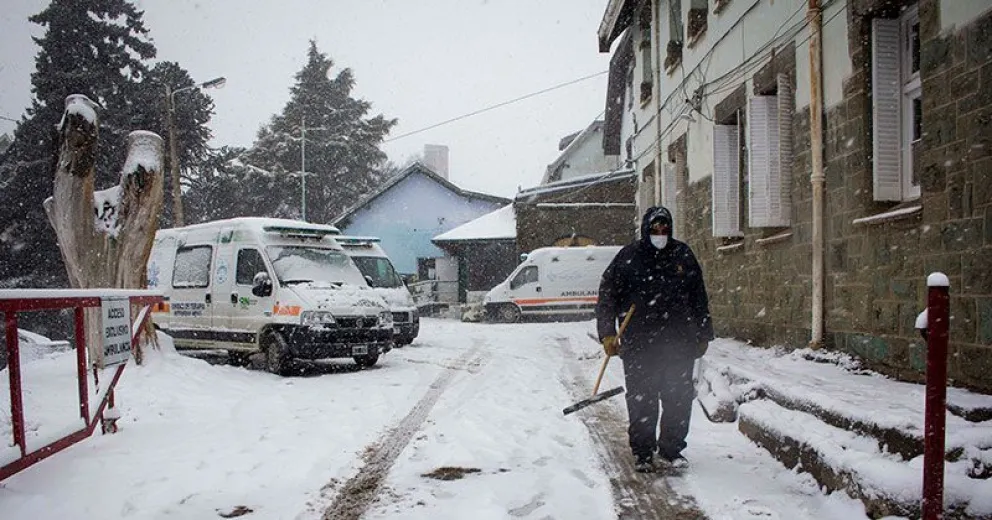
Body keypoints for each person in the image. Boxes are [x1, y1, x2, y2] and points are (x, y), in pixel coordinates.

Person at [596, 206, 714, 473]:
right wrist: (607, 333)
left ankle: (672, 449)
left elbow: (698, 297)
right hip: (640, 344)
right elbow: (607, 297)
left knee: (677, 398)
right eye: (655, 230)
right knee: (642, 399)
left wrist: (704, 333)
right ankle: (643, 453)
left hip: (679, 343)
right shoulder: (628, 257)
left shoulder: (682, 255)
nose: (660, 234)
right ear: (646, 230)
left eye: (664, 229)